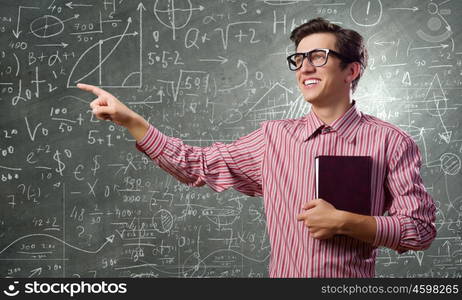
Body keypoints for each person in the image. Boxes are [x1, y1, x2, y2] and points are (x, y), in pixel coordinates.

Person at [77, 17, 436, 277]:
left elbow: (420, 230)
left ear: (351, 71)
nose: (304, 67)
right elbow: (197, 164)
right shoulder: (273, 138)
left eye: (318, 57)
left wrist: (347, 222)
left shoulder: (391, 142)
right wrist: (132, 122)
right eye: (298, 59)